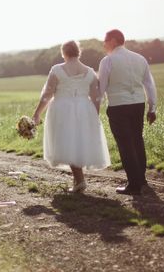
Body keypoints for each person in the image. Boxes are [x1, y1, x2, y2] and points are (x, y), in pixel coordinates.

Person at [32, 40, 111, 193]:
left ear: (64, 53)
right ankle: (77, 181)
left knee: (67, 141)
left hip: (62, 108)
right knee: (77, 141)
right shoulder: (90, 72)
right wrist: (94, 116)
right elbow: (96, 97)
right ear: (78, 52)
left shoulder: (57, 69)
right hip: (85, 108)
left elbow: (47, 95)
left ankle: (80, 181)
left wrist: (37, 114)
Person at [97, 29, 157, 196]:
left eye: (105, 41)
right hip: (138, 104)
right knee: (137, 140)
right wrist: (152, 108)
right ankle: (141, 179)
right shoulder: (140, 59)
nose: (103, 44)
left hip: (118, 106)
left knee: (125, 144)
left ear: (114, 40)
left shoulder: (107, 61)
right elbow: (150, 85)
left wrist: (94, 107)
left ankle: (134, 184)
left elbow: (101, 88)